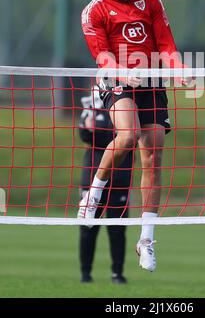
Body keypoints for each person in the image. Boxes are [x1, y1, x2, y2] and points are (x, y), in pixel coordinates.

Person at [78, 0, 188, 272]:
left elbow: (166, 44)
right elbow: (101, 55)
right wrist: (124, 74)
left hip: (151, 82)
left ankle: (146, 241)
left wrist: (178, 68)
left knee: (152, 155)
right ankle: (93, 195)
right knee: (127, 137)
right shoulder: (94, 11)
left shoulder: (150, 1)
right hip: (118, 81)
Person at [78, 86, 132, 284]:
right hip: (92, 175)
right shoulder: (92, 110)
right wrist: (88, 125)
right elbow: (85, 135)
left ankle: (117, 274)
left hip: (120, 177)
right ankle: (85, 274)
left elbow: (128, 139)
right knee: (88, 226)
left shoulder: (128, 110)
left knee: (118, 228)